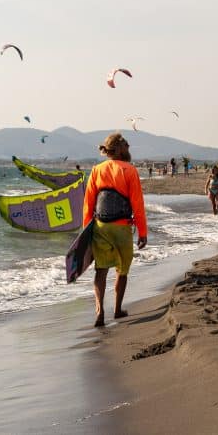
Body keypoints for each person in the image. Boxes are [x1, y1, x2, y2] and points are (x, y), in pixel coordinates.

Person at [83, 132, 147, 327]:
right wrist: (143, 232)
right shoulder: (129, 170)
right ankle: (117, 310)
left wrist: (85, 230)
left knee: (101, 270)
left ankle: (100, 311)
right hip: (122, 227)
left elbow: (89, 202)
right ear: (121, 149)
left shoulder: (97, 170)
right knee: (122, 270)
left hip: (100, 226)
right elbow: (137, 203)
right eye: (127, 147)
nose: (128, 150)